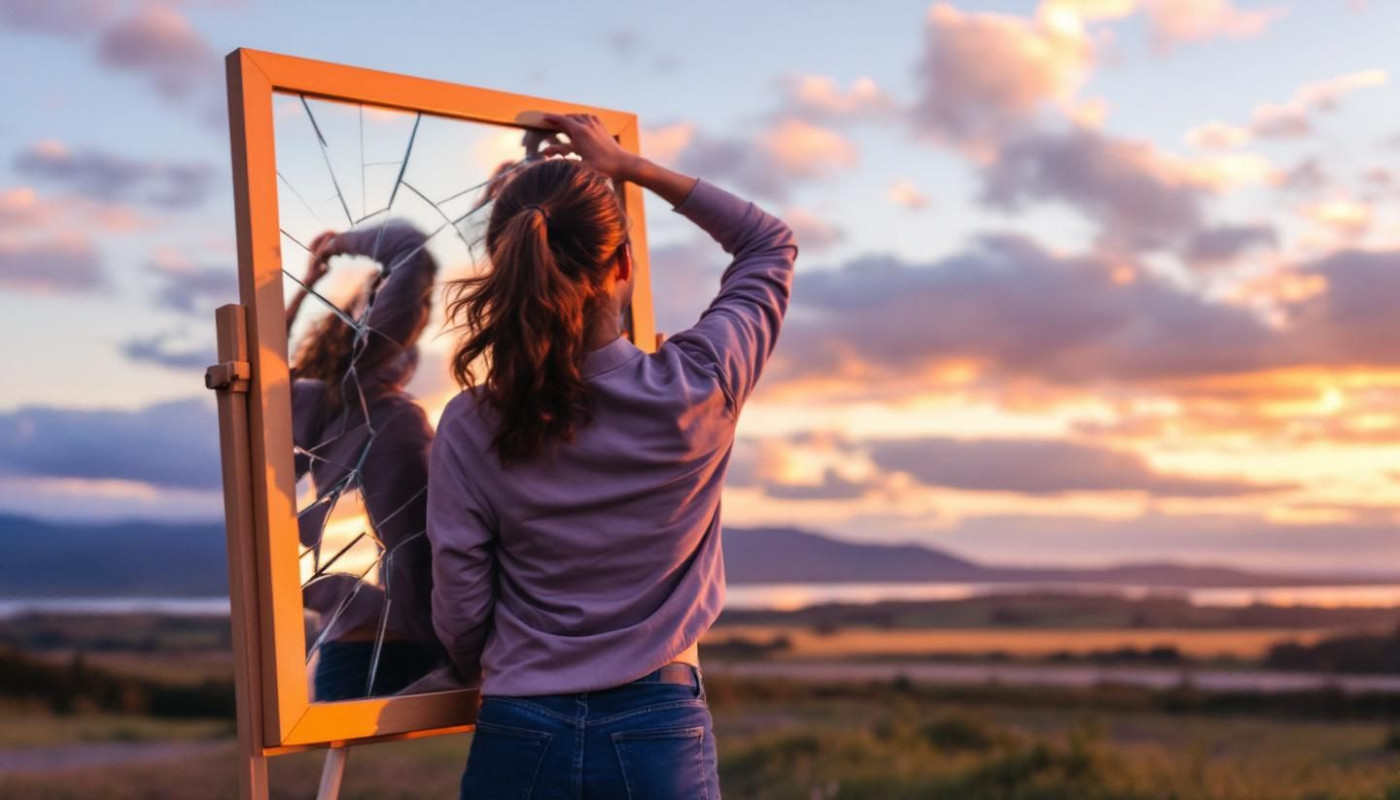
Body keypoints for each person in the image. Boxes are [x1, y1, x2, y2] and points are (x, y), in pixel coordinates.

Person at [428, 112, 798, 798]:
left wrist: (492, 667)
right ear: (625, 264)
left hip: (518, 723)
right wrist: (634, 169)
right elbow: (768, 244)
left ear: (507, 267)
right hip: (658, 724)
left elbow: (459, 603)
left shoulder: (471, 422)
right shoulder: (698, 385)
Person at [287, 221, 446, 700]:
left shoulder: (354, 405)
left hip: (423, 643)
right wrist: (331, 251)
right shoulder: (324, 401)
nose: (418, 314)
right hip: (364, 646)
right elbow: (410, 249)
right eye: (411, 303)